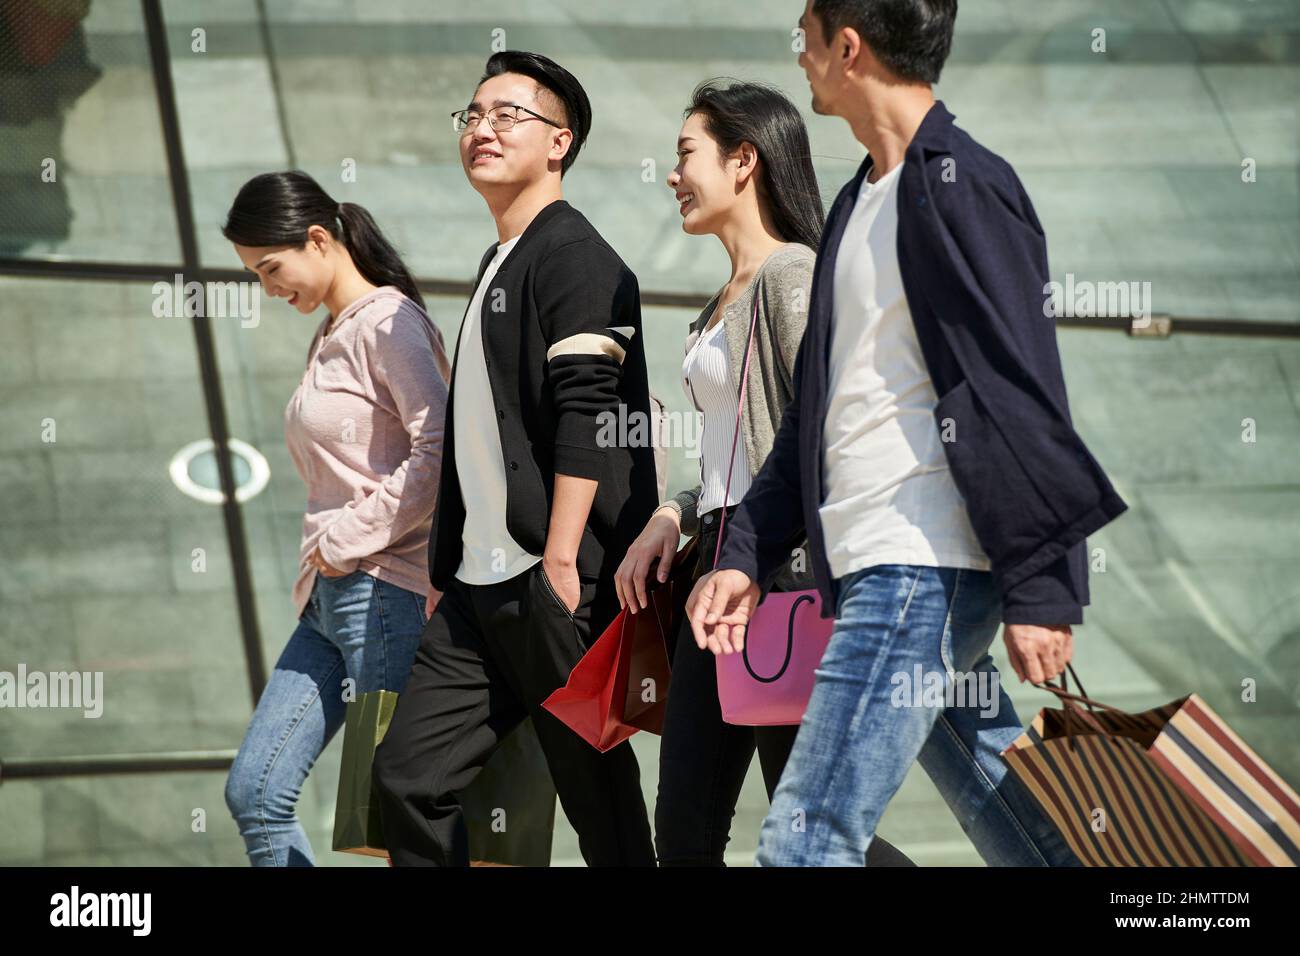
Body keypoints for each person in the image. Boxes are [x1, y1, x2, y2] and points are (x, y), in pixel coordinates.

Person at [687, 0, 1129, 866]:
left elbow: (1019, 383)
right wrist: (744, 550)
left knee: (806, 834)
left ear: (848, 47)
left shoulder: (965, 182)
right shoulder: (860, 202)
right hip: (875, 564)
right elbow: (816, 415)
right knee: (1008, 808)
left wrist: (1042, 587)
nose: (800, 58)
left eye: (806, 40)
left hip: (918, 560)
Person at [372, 51, 660, 866]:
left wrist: (562, 561)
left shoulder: (572, 254)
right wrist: (450, 562)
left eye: (507, 116)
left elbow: (587, 414)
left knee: (596, 800)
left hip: (549, 578)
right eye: (472, 115)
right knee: (405, 778)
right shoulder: (501, 257)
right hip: (475, 589)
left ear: (560, 142)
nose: (482, 130)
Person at [614, 79, 911, 867]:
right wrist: (672, 513)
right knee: (687, 831)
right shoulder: (720, 302)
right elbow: (728, 456)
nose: (671, 176)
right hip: (716, 568)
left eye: (686, 154)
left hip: (777, 577)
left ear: (744, 160)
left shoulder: (792, 276)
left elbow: (822, 430)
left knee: (808, 829)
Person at [221, 171, 455, 865]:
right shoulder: (330, 333)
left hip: (386, 590)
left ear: (318, 239)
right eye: (255, 275)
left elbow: (438, 447)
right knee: (254, 793)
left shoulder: (389, 322)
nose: (268, 288)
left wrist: (348, 539)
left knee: (384, 814)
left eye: (271, 267)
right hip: (329, 600)